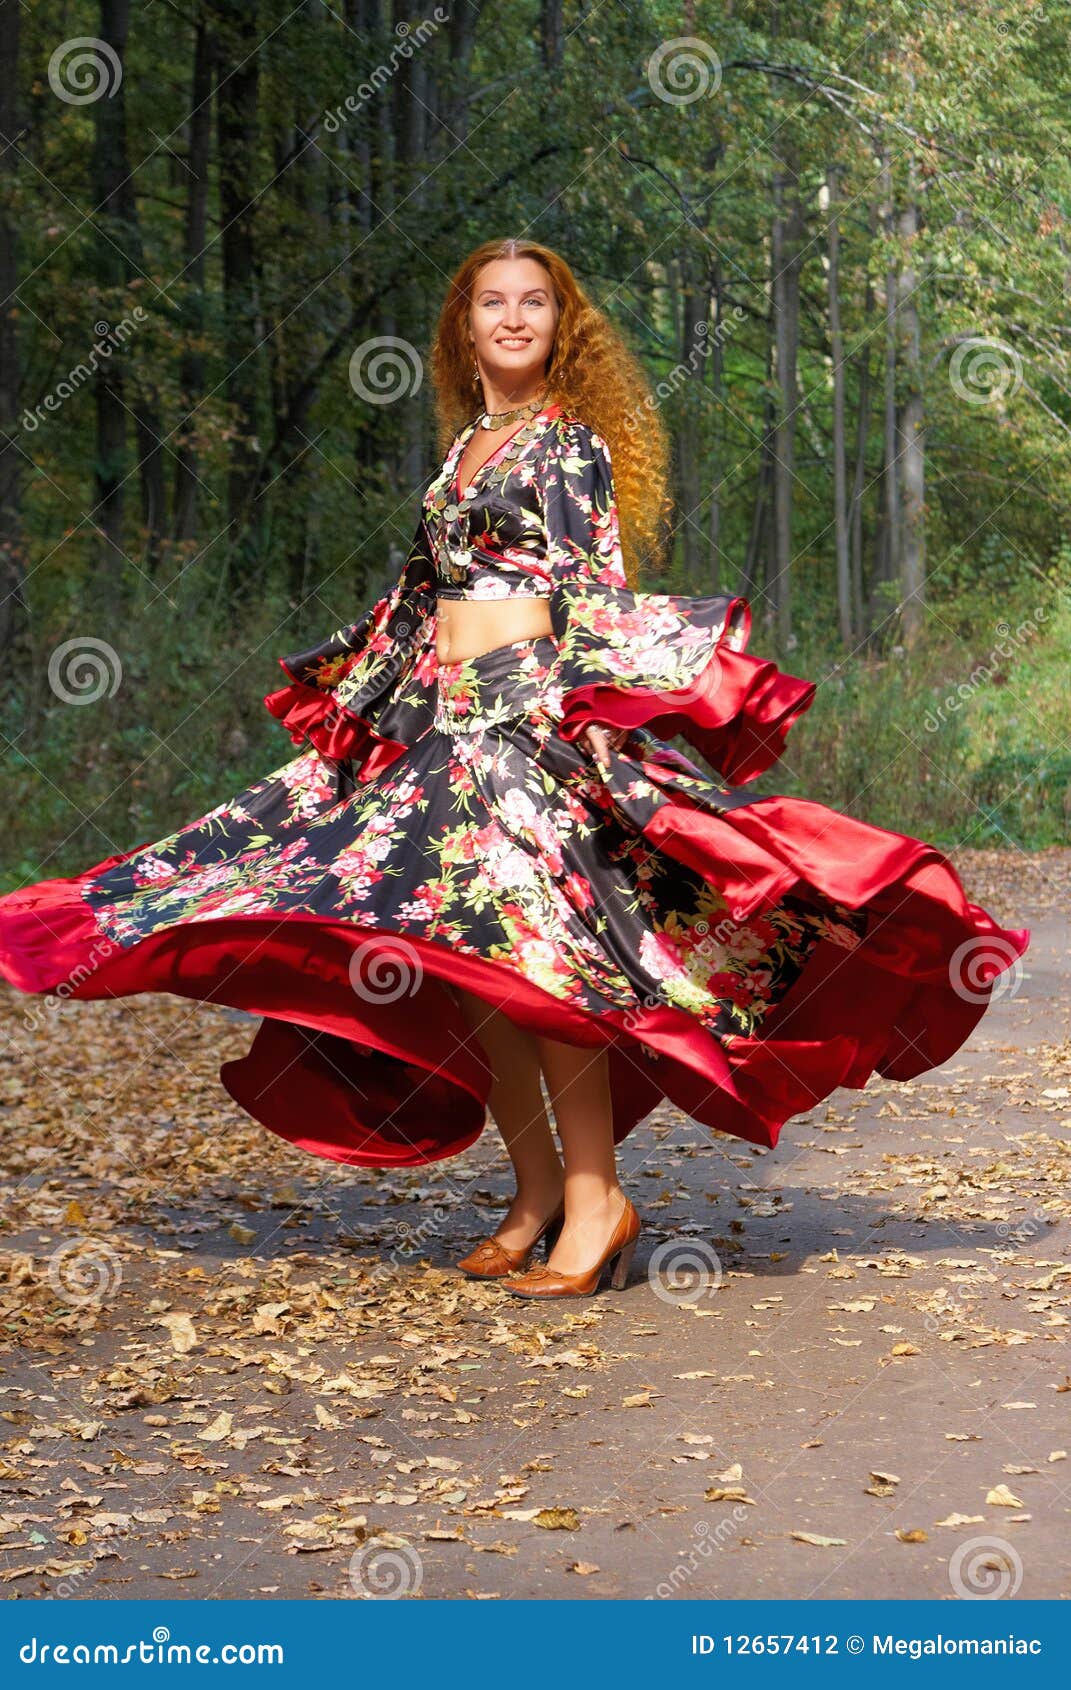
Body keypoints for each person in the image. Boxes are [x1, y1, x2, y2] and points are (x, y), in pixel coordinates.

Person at [0, 238, 1031, 1300]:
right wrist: (356, 718)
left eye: (533, 301)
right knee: (475, 971)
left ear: (559, 324)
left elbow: (591, 585)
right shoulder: (461, 456)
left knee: (549, 982)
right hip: (447, 734)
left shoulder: (566, 443)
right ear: (464, 325)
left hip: (527, 723)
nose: (512, 317)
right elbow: (419, 601)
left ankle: (598, 1203)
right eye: (492, 301)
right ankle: (535, 1194)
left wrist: (589, 715)